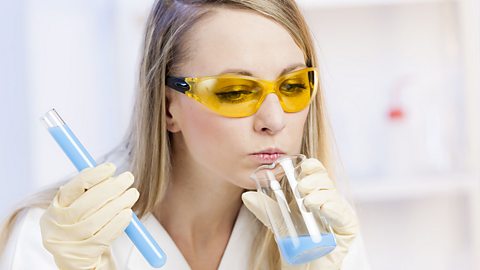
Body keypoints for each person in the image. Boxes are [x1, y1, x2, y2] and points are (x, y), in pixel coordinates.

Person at [0, 0, 370, 269]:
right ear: (166, 108)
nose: (274, 120)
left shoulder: (324, 234)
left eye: (292, 86)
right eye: (234, 92)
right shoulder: (58, 236)